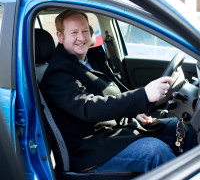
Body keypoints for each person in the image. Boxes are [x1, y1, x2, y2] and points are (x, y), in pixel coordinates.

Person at [40, 10, 197, 173]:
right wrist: (143, 95)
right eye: (74, 32)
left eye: (85, 30)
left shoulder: (92, 59)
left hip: (116, 133)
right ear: (60, 36)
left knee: (181, 128)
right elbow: (89, 108)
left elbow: (116, 90)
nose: (81, 37)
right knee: (155, 151)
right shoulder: (56, 74)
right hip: (90, 148)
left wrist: (134, 112)